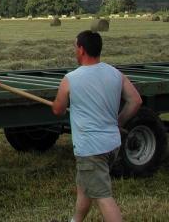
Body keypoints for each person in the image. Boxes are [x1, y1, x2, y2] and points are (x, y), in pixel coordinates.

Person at [52, 30, 142, 222]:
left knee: (102, 196)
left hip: (91, 148)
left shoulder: (71, 79)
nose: (75, 51)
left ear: (82, 49)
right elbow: (135, 100)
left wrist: (57, 103)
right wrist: (119, 121)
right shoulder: (115, 73)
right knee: (84, 188)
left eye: (75, 47)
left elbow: (58, 110)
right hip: (111, 145)